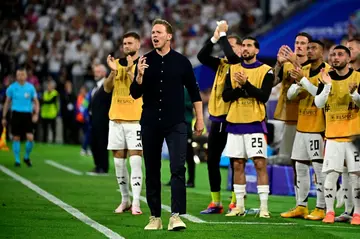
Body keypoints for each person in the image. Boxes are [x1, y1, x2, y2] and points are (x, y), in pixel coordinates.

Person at [130, 19, 204, 231]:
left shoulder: (182, 62)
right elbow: (135, 93)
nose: (154, 36)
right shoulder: (144, 61)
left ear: (169, 36)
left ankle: (175, 216)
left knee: (178, 168)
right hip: (150, 123)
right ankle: (155, 217)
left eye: (159, 32)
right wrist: (140, 76)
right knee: (152, 169)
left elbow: (194, 92)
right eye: (153, 32)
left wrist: (199, 119)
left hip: (176, 123)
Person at [222, 37, 273, 218]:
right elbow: (226, 95)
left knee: (260, 164)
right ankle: (240, 206)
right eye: (243, 45)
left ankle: (264, 208)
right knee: (237, 164)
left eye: (249, 46)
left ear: (257, 50)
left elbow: (263, 96)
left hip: (254, 123)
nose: (245, 48)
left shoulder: (266, 70)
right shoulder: (232, 69)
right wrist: (242, 90)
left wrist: (246, 85)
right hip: (234, 123)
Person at [281, 40, 330, 220]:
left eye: (313, 48)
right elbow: (290, 95)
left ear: (322, 52)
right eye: (307, 48)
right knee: (300, 166)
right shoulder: (305, 70)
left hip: (319, 127)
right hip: (302, 125)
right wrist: (297, 85)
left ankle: (321, 207)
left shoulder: (328, 71)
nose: (309, 51)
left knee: (318, 169)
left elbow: (320, 95)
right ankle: (301, 206)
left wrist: (302, 80)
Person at [197, 21, 242, 214]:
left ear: (241, 49)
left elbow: (232, 57)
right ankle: (216, 202)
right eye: (227, 45)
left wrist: (224, 36)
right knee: (213, 160)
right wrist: (215, 37)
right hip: (216, 120)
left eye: (232, 46)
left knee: (235, 162)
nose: (226, 49)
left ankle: (235, 202)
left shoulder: (238, 64)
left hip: (232, 120)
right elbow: (201, 56)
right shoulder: (222, 64)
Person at [314, 45, 360, 225]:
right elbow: (318, 103)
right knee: (331, 176)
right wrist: (326, 86)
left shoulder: (358, 77)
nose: (335, 57)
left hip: (354, 137)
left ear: (349, 59)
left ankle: (357, 213)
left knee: (356, 176)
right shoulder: (325, 78)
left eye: (340, 54)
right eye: (332, 54)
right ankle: (330, 212)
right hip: (332, 136)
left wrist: (354, 94)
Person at [104, 32, 144, 215]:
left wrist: (129, 69)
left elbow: (138, 86)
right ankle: (125, 200)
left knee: (135, 161)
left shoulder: (144, 63)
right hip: (116, 119)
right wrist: (113, 72)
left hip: (136, 120)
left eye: (129, 43)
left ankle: (136, 202)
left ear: (138, 45)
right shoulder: (116, 64)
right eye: (124, 43)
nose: (126, 46)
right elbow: (107, 88)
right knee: (119, 163)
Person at [272, 32, 312, 204]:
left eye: (303, 43)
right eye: (297, 42)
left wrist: (294, 60)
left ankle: (324, 202)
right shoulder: (287, 65)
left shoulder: (315, 64)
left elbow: (312, 84)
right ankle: (300, 203)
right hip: (291, 118)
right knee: (293, 161)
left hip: (312, 119)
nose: (299, 45)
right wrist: (279, 65)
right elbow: (272, 82)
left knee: (316, 163)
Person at [335, 38, 360, 222]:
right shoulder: (340, 74)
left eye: (351, 48)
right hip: (345, 129)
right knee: (347, 170)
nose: (347, 51)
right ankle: (349, 209)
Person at [2, 68, 39, 167]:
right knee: (16, 137)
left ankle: (26, 157)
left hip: (27, 114)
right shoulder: (12, 88)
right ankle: (17, 160)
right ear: (16, 76)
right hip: (16, 114)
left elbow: (36, 102)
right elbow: (7, 102)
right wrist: (4, 117)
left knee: (30, 138)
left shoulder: (30, 88)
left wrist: (36, 114)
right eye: (18, 75)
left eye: (22, 74)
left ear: (26, 76)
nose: (20, 77)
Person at [88, 64, 112, 175]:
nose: (95, 73)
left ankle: (103, 167)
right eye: (95, 71)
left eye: (98, 71)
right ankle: (98, 165)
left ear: (103, 73)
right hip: (93, 120)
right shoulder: (96, 86)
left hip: (103, 120)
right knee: (94, 143)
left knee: (102, 144)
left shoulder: (107, 85)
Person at [40, 79, 59, 143]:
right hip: (44, 114)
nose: (49, 87)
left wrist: (44, 101)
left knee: (53, 129)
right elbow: (41, 101)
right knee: (45, 129)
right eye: (48, 86)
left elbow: (51, 101)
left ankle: (53, 141)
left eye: (50, 86)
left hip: (52, 114)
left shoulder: (55, 93)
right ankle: (44, 141)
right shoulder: (44, 93)